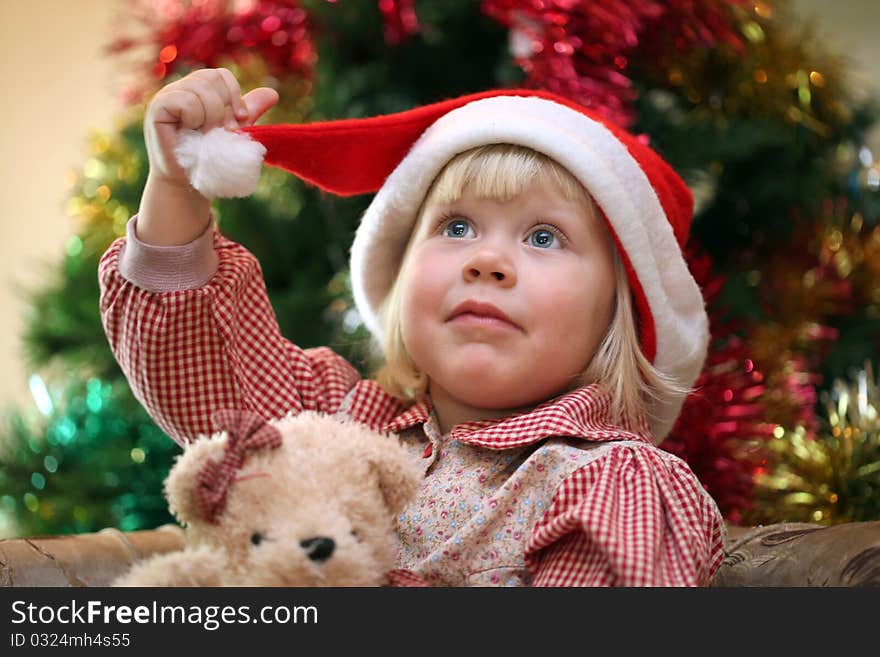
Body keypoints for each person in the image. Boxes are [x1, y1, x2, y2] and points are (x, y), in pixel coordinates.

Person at [99, 67, 726, 586]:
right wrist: (177, 186)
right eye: (456, 227)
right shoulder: (332, 419)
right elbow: (200, 369)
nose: (486, 261)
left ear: (618, 313)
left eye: (544, 236)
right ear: (399, 276)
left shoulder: (611, 484)